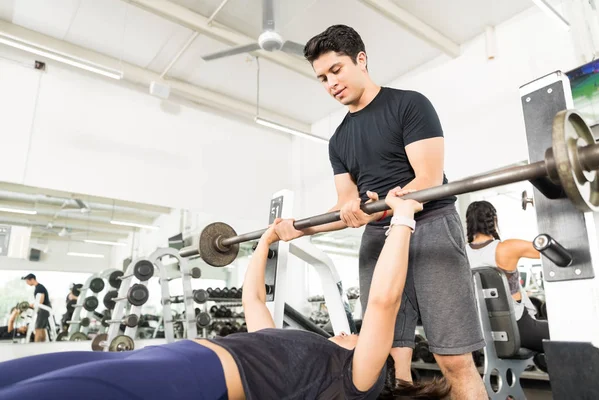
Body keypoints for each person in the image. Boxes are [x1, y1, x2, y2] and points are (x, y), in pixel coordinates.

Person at [0, 189, 449, 399]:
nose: (351, 334)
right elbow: (253, 300)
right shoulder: (306, 350)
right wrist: (267, 241)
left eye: (359, 337)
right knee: (12, 375)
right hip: (165, 357)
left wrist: (403, 218)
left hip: (190, 380)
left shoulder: (358, 381)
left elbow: (383, 302)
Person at [274, 24, 487, 398]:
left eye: (336, 70)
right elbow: (345, 205)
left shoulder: (409, 104)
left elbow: (428, 178)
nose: (330, 83)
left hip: (431, 226)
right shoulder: (339, 139)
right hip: (378, 237)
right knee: (384, 355)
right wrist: (300, 229)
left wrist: (386, 204)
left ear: (361, 59)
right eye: (322, 78)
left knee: (453, 359)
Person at [465, 200, 549, 353]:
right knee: (566, 333)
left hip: (482, 333)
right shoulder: (507, 248)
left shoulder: (461, 254)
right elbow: (549, 250)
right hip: (518, 328)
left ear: (468, 223)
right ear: (494, 220)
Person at [22, 273, 52, 342]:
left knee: (38, 328)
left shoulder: (39, 288)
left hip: (44, 309)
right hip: (44, 309)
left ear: (32, 279)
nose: (27, 283)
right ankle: (43, 345)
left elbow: (40, 301)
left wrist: (31, 305)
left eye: (27, 281)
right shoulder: (38, 287)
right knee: (42, 328)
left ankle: (36, 346)